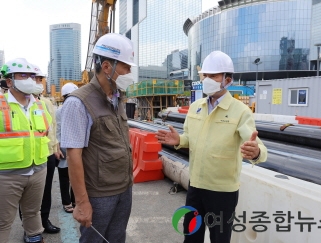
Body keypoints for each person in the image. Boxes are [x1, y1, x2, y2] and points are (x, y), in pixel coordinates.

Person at [156, 51, 268, 243]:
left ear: (228, 80)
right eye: (205, 76)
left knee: (219, 238)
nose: (207, 80)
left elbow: (255, 144)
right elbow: (190, 137)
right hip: (196, 186)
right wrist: (179, 140)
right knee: (191, 236)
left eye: (214, 76)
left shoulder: (240, 111)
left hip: (223, 192)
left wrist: (256, 151)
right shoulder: (196, 106)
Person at [61, 33, 135, 243]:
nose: (129, 73)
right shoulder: (78, 103)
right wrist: (82, 202)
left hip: (123, 188)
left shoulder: (117, 98)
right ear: (106, 67)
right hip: (99, 194)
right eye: (126, 67)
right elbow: (74, 156)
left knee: (116, 238)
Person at [0, 58, 52, 243]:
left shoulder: (39, 104)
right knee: (3, 221)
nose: (29, 79)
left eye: (31, 75)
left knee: (32, 212)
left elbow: (44, 131)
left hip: (37, 169)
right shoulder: (1, 103)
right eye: (23, 75)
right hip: (7, 174)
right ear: (9, 81)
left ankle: (34, 238)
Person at [31, 64, 61, 234]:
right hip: (28, 156)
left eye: (39, 79)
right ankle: (30, 227)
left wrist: (55, 147)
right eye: (34, 78)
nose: (37, 82)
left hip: (47, 154)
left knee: (46, 190)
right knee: (30, 195)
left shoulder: (47, 103)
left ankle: (44, 221)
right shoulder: (18, 103)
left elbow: (53, 126)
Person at [56, 82, 78, 213]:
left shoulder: (79, 108)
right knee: (64, 177)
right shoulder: (60, 111)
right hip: (65, 147)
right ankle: (67, 202)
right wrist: (58, 147)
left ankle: (75, 200)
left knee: (76, 175)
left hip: (77, 147)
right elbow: (58, 129)